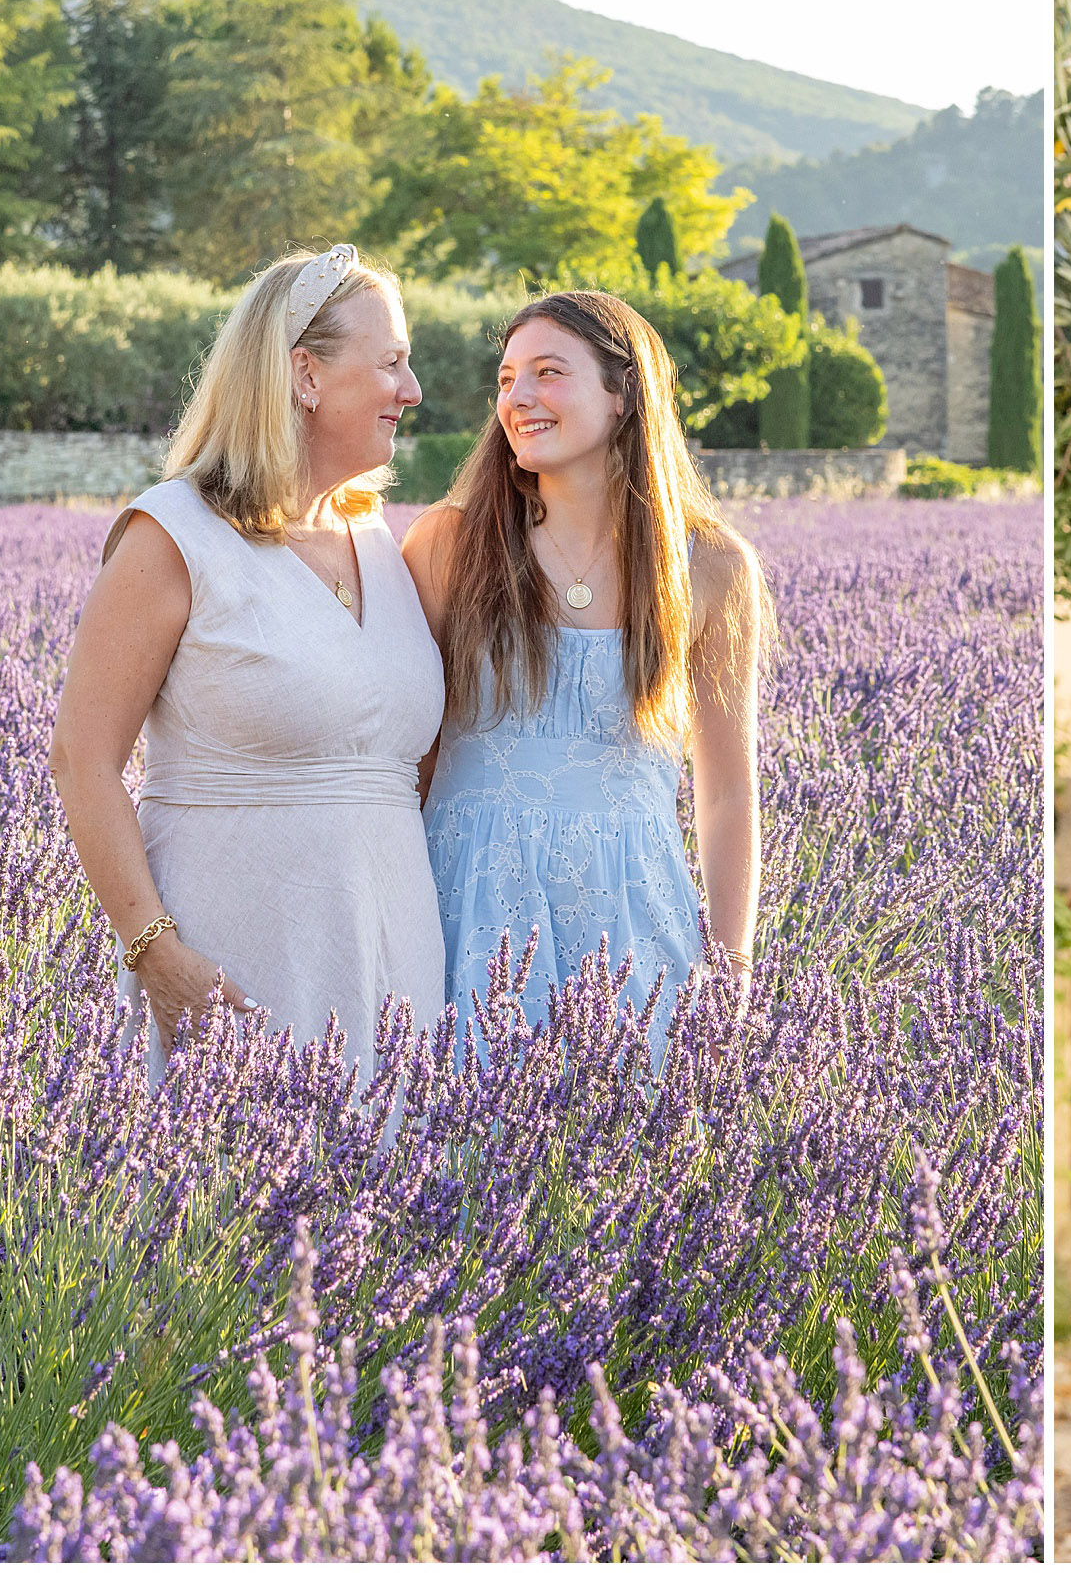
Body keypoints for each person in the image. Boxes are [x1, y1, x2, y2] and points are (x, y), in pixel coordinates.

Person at [50, 243, 444, 1083]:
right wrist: (155, 954)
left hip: (396, 961)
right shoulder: (172, 537)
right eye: (393, 364)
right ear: (305, 374)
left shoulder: (377, 542)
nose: (412, 391)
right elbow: (83, 762)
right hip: (236, 965)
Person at [401, 290, 764, 1057]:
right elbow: (411, 762)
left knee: (626, 1156)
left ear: (624, 394)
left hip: (633, 913)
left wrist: (731, 968)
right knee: (452, 1158)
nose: (518, 398)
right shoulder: (447, 545)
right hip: (467, 904)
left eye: (547, 373)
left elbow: (729, 789)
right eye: (505, 380)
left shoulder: (709, 567)